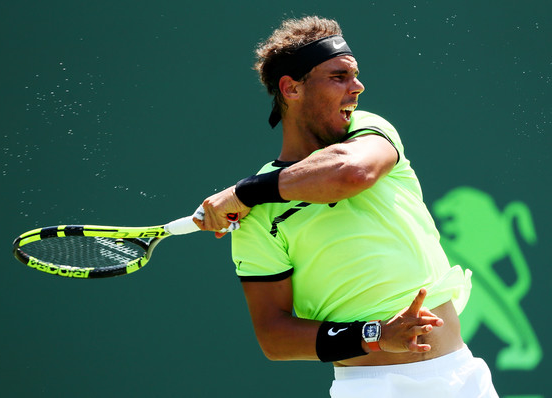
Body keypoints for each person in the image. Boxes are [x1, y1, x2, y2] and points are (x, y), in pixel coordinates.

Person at [193, 16, 499, 397]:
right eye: (338, 77)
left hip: (460, 377)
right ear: (291, 88)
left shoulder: (369, 129)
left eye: (355, 75)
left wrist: (245, 192)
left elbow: (351, 171)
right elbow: (274, 335)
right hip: (370, 389)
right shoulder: (257, 217)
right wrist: (375, 335)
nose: (357, 88)